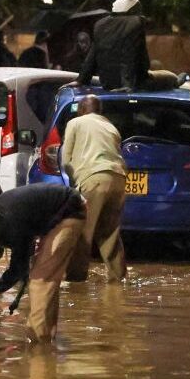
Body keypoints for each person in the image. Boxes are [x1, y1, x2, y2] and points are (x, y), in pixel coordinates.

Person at [0, 184, 86, 343]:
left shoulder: (12, 224)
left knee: (41, 280)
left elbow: (16, 270)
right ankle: (46, 335)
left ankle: (38, 341)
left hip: (69, 210)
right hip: (60, 209)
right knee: (46, 276)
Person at [61, 95, 127, 282]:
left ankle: (75, 281)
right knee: (110, 232)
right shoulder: (110, 127)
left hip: (93, 177)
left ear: (82, 109)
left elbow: (66, 160)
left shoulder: (76, 123)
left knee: (82, 231)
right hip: (119, 179)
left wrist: (75, 183)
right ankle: (118, 278)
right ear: (100, 111)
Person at [76, 0, 185, 92]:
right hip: (135, 82)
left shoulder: (99, 24)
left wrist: (81, 80)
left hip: (107, 84)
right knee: (167, 77)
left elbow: (92, 56)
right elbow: (129, 54)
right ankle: (175, 81)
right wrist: (126, 85)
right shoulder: (134, 23)